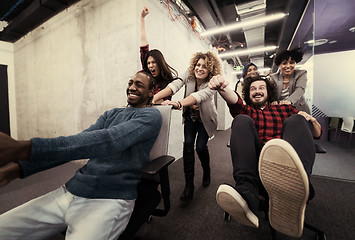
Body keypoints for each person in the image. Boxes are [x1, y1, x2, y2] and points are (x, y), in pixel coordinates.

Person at [0, 71, 162, 240]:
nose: (132, 87)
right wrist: (16, 170)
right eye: (130, 83)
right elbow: (79, 146)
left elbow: (110, 141)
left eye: (139, 85)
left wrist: (24, 149)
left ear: (151, 92)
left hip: (109, 200)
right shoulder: (111, 114)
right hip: (70, 191)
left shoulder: (151, 116)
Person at [209, 74, 321, 237]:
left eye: (261, 88)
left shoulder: (285, 108)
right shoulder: (247, 111)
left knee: (297, 119)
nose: (257, 91)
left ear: (269, 92)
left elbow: (316, 134)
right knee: (240, 120)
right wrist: (222, 88)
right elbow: (235, 101)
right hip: (256, 166)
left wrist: (310, 120)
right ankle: (247, 195)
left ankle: (297, 184)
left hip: (284, 167)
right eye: (253, 89)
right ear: (248, 94)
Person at [153, 51, 222, 201]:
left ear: (210, 69)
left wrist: (178, 103)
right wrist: (155, 97)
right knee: (188, 146)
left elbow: (198, 96)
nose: (200, 69)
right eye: (198, 65)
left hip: (206, 120)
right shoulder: (189, 75)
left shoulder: (212, 83)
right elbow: (174, 86)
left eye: (204, 66)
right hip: (190, 118)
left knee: (201, 147)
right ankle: (188, 185)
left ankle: (207, 171)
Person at [140, 6, 178, 102]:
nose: (150, 66)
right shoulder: (146, 75)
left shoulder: (167, 81)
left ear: (160, 63)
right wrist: (142, 18)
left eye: (154, 62)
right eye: (148, 63)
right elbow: (143, 44)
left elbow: (163, 102)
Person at [270, 47, 310, 113]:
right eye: (284, 63)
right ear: (279, 65)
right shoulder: (273, 77)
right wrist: (272, 101)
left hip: (299, 110)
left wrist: (289, 101)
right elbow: (271, 93)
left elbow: (300, 89)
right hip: (281, 111)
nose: (288, 66)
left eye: (291, 62)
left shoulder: (301, 73)